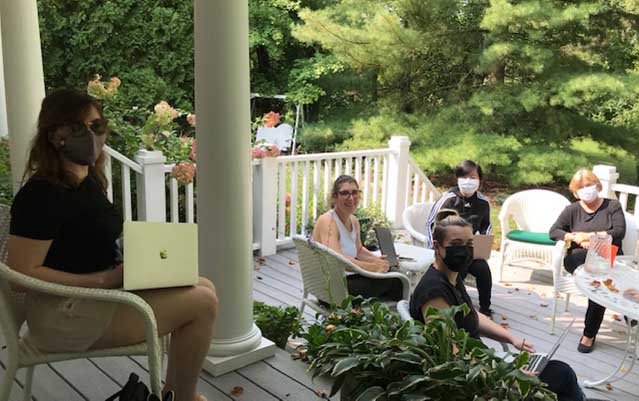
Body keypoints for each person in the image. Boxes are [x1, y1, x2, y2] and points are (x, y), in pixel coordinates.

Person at [7, 89, 217, 401]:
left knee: (203, 286)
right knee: (203, 304)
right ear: (55, 135)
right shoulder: (41, 195)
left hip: (97, 296)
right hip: (63, 314)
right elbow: (21, 274)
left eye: (96, 126)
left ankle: (175, 393)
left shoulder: (86, 181)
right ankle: (184, 397)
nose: (89, 135)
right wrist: (104, 279)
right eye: (77, 127)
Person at [410, 211, 593, 401]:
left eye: (469, 244)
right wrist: (507, 375)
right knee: (562, 374)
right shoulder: (433, 291)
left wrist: (511, 338)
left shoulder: (452, 278)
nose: (464, 250)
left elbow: (470, 315)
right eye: (456, 245)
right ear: (437, 246)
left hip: (485, 365)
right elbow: (449, 350)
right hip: (476, 380)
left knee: (559, 373)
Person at [550, 168, 626, 353]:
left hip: (608, 257)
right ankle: (590, 334)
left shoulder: (612, 206)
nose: (586, 189)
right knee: (598, 278)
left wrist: (591, 236)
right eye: (581, 187)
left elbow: (619, 232)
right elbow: (554, 232)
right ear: (575, 192)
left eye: (589, 185)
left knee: (599, 281)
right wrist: (574, 237)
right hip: (578, 258)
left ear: (598, 186)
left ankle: (591, 333)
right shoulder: (572, 210)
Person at [312, 175, 403, 301]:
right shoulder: (328, 221)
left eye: (355, 192)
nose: (351, 198)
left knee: (394, 272)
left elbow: (359, 250)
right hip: (331, 289)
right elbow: (336, 259)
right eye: (345, 193)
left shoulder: (353, 221)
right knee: (396, 281)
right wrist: (372, 267)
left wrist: (377, 260)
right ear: (334, 197)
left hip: (346, 279)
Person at [424, 160, 493, 316]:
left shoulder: (483, 202)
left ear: (480, 180)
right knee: (456, 272)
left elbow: (486, 226)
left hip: (471, 250)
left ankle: (485, 309)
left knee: (483, 269)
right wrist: (433, 249)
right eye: (464, 176)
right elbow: (430, 224)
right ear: (458, 178)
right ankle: (455, 306)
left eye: (473, 177)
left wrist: (484, 244)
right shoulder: (447, 199)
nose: (468, 181)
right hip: (449, 249)